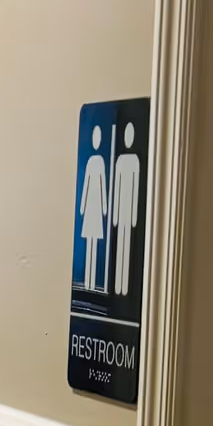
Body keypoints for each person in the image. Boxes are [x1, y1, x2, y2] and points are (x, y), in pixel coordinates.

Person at [110, 119, 142, 298]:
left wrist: (135, 215)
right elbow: (117, 186)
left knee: (127, 248)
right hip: (121, 211)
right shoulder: (120, 161)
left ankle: (123, 289)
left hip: (129, 212)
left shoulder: (135, 161)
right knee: (120, 247)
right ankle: (118, 286)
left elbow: (135, 186)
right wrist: (114, 214)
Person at [78, 123, 109, 293]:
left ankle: (92, 281)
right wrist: (82, 207)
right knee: (89, 241)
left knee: (95, 243)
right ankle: (88, 282)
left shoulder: (101, 163)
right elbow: (86, 186)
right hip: (90, 208)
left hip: (96, 209)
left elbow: (103, 186)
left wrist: (104, 208)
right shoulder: (91, 162)